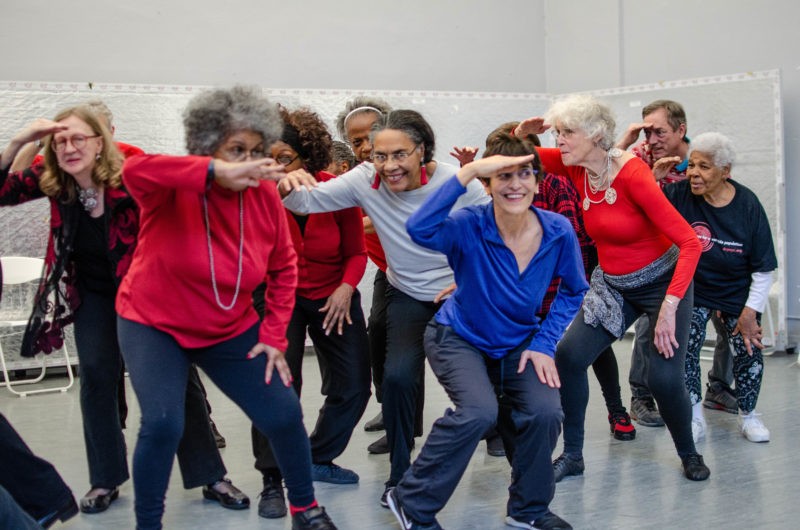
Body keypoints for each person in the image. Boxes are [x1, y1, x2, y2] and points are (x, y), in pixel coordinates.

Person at [0, 106, 245, 516]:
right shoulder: (54, 179)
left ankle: (211, 475)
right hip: (93, 291)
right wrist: (18, 141)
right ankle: (105, 479)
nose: (69, 147)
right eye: (60, 141)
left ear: (101, 142)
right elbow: (3, 191)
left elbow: (189, 185)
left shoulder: (132, 174)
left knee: (175, 376)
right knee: (96, 374)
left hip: (147, 290)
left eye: (78, 138)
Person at [115, 86, 337, 530]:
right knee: (162, 423)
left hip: (228, 326)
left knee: (283, 411)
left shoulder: (264, 196)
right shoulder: (173, 185)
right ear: (206, 147)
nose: (249, 162)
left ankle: (305, 509)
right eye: (237, 150)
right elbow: (135, 170)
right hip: (153, 323)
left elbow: (284, 267)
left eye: (257, 151)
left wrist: (273, 335)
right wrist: (217, 171)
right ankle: (148, 524)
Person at [281, 108, 490, 507]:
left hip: (459, 295)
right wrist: (287, 183)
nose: (389, 166)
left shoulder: (455, 182)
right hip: (408, 293)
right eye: (380, 156)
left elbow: (493, 233)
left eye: (399, 155)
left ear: (422, 151)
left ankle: (505, 446)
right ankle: (399, 474)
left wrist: (470, 280)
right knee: (396, 378)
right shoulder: (365, 179)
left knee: (490, 377)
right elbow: (307, 203)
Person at [387, 135, 587, 530]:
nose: (515, 184)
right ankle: (411, 500)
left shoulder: (557, 230)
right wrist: (468, 173)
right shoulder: (469, 224)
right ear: (489, 184)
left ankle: (528, 509)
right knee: (479, 412)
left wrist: (545, 343)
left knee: (546, 411)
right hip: (458, 337)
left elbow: (574, 289)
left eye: (524, 174)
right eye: (503, 175)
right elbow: (419, 228)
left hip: (520, 339)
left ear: (537, 182)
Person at [514, 94, 709, 482]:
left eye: (567, 132)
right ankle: (573, 455)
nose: (559, 140)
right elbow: (520, 159)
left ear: (595, 134)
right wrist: (522, 134)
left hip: (662, 284)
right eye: (557, 132)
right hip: (614, 284)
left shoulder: (633, 175)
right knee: (569, 357)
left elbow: (690, 243)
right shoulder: (577, 167)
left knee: (663, 379)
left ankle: (689, 452)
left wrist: (669, 307)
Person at [251, 106, 370, 519]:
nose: (276, 167)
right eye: (268, 159)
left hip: (333, 292)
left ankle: (316, 455)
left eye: (285, 158)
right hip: (276, 294)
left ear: (307, 157)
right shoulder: (256, 195)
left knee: (355, 384)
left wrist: (346, 288)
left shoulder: (334, 190)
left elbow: (356, 252)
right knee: (277, 383)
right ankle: (272, 477)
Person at [617, 100, 737, 426]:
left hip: (701, 252)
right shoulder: (639, 156)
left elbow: (723, 199)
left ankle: (719, 387)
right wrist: (632, 148)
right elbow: (608, 176)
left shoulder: (702, 158)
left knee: (727, 317)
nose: (652, 140)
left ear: (681, 130)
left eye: (659, 132)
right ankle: (641, 396)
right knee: (650, 324)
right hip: (658, 257)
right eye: (647, 132)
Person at [663, 132, 776, 443]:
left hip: (736, 290)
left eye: (704, 167)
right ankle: (694, 415)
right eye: (691, 165)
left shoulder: (748, 205)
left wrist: (750, 311)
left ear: (725, 171)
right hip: (694, 288)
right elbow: (644, 206)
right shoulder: (679, 194)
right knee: (686, 347)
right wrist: (653, 178)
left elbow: (764, 268)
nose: (694, 173)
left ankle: (749, 415)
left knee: (748, 347)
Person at [334, 97, 427, 456]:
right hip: (388, 269)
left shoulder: (402, 168)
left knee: (409, 347)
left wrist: (352, 227)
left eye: (370, 135)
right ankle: (391, 407)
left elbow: (403, 216)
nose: (364, 145)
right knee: (377, 331)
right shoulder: (358, 177)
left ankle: (406, 422)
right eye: (355, 140)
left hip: (422, 271)